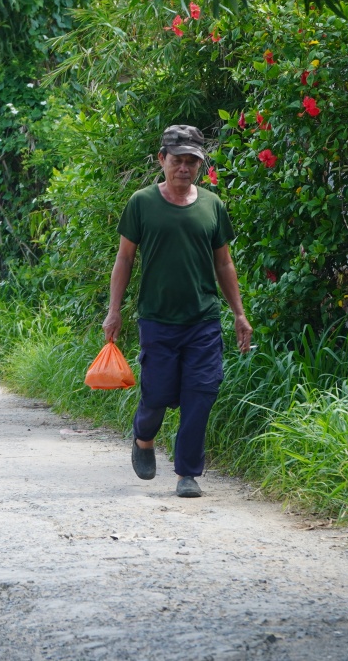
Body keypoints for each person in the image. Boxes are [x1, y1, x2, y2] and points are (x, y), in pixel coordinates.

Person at [103, 125, 252, 498]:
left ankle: (188, 472)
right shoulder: (142, 203)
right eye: (177, 160)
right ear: (162, 160)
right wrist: (114, 310)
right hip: (157, 319)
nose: (184, 168)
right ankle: (143, 438)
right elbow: (124, 258)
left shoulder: (212, 205)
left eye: (191, 162)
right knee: (156, 394)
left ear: (200, 165)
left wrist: (238, 313)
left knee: (200, 394)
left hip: (202, 320)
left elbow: (224, 264)